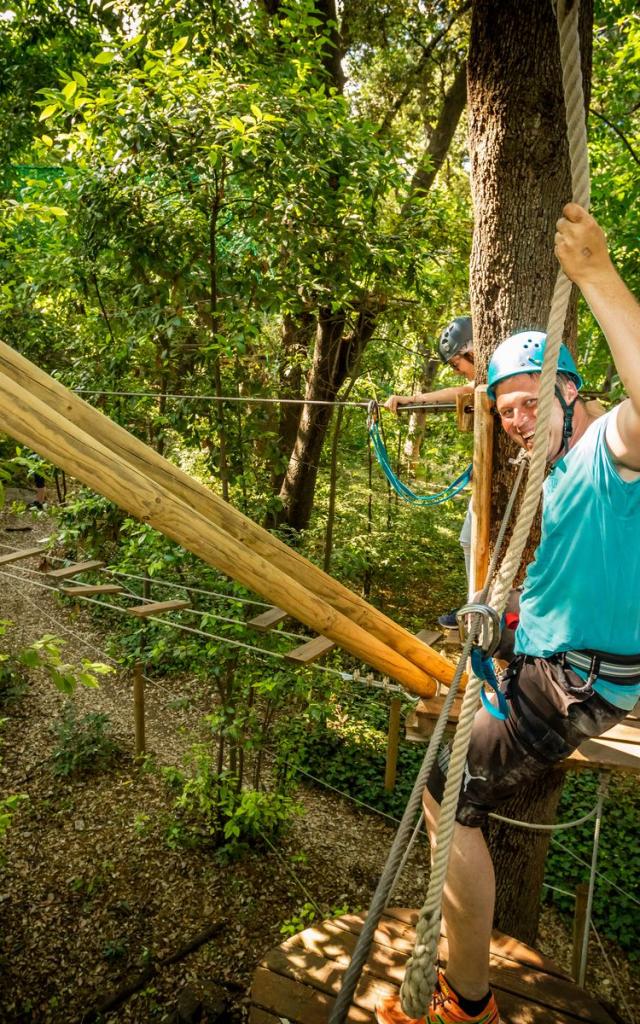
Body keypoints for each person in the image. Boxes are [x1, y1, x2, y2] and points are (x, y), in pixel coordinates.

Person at [376, 202, 640, 1024]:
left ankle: (469, 999)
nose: (519, 420)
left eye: (532, 401)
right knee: (452, 785)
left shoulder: (606, 449)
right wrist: (512, 618)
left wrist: (596, 275)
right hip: (553, 658)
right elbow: (573, 580)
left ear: (572, 389)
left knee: (449, 803)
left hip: (575, 683)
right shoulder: (557, 473)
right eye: (506, 409)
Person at [384, 317, 475, 628]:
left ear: (471, 350)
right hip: (486, 478)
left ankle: (481, 610)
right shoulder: (484, 380)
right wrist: (411, 401)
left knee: (475, 541)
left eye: (456, 363)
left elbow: (465, 388)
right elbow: (460, 390)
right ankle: (476, 607)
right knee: (468, 541)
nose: (456, 370)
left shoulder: (503, 376)